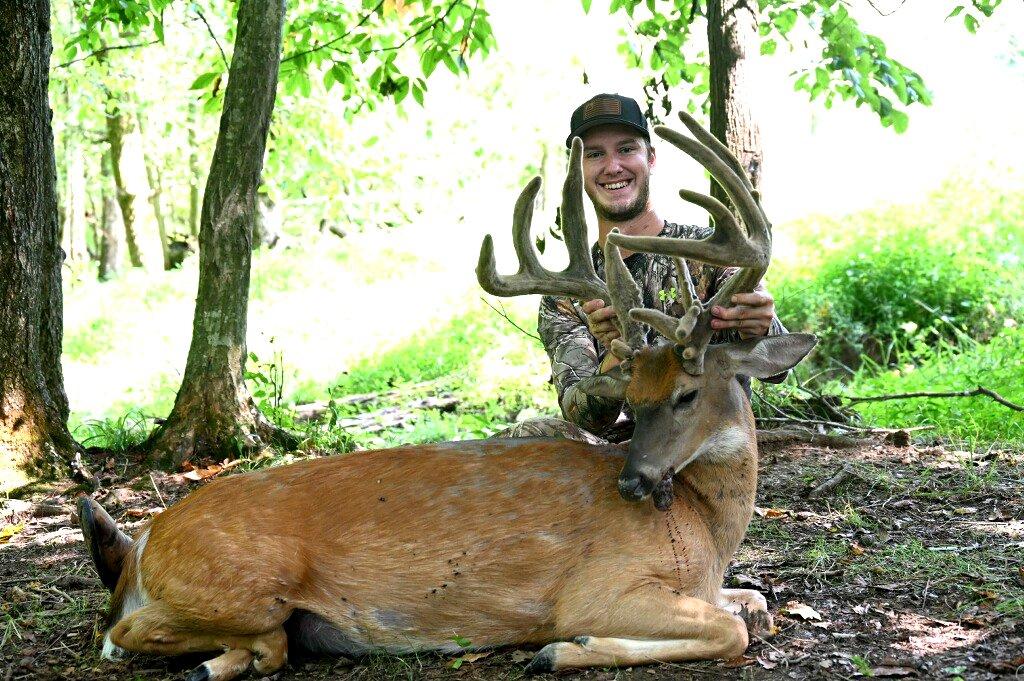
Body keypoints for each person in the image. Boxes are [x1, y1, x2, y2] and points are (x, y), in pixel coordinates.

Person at [498, 93, 788, 445]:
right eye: (594, 154)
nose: (612, 166)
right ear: (578, 170)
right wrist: (617, 356)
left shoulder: (712, 253)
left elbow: (777, 369)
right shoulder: (566, 294)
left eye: (625, 149)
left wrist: (761, 326)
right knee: (528, 436)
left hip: (707, 443)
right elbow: (581, 415)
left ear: (650, 158)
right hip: (628, 454)